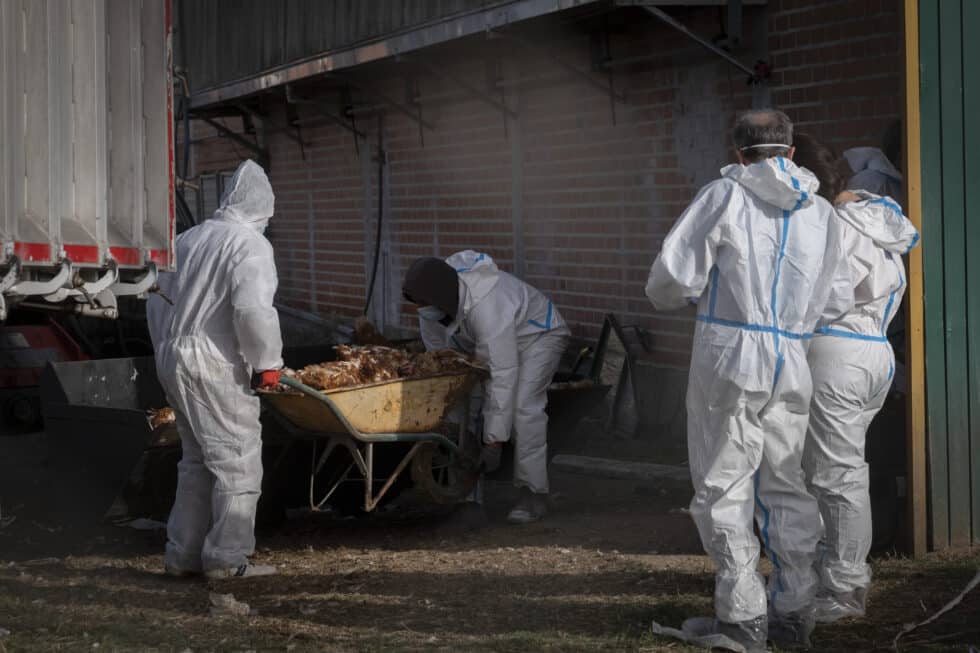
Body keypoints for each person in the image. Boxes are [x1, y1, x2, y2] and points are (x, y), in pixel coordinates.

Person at [645, 110, 853, 651]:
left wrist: (691, 298)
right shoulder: (822, 212)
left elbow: (669, 281)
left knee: (725, 481)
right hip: (792, 354)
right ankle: (793, 612)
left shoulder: (726, 195)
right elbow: (839, 298)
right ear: (789, 151)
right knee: (785, 481)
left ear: (739, 153)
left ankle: (741, 620)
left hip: (731, 350)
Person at [792, 134, 920, 622]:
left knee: (834, 474)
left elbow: (827, 296)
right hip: (873, 352)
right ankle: (833, 575)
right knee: (838, 470)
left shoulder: (833, 225)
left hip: (836, 349)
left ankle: (845, 588)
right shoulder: (873, 216)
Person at [147, 159, 283, 579]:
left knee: (195, 462)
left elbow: (153, 299)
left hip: (172, 357)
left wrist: (167, 352)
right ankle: (227, 559)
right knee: (238, 462)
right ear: (263, 211)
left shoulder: (186, 240)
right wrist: (268, 365)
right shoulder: (249, 245)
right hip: (215, 363)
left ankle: (182, 555)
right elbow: (252, 310)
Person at [402, 250, 570, 524]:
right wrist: (460, 428)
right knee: (469, 401)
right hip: (498, 343)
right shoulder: (432, 309)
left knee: (523, 407)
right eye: (418, 303)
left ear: (442, 296)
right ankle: (468, 495)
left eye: (424, 302)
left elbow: (501, 375)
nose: (422, 308)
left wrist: (493, 441)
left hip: (539, 335)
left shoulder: (486, 307)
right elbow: (446, 368)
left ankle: (533, 494)